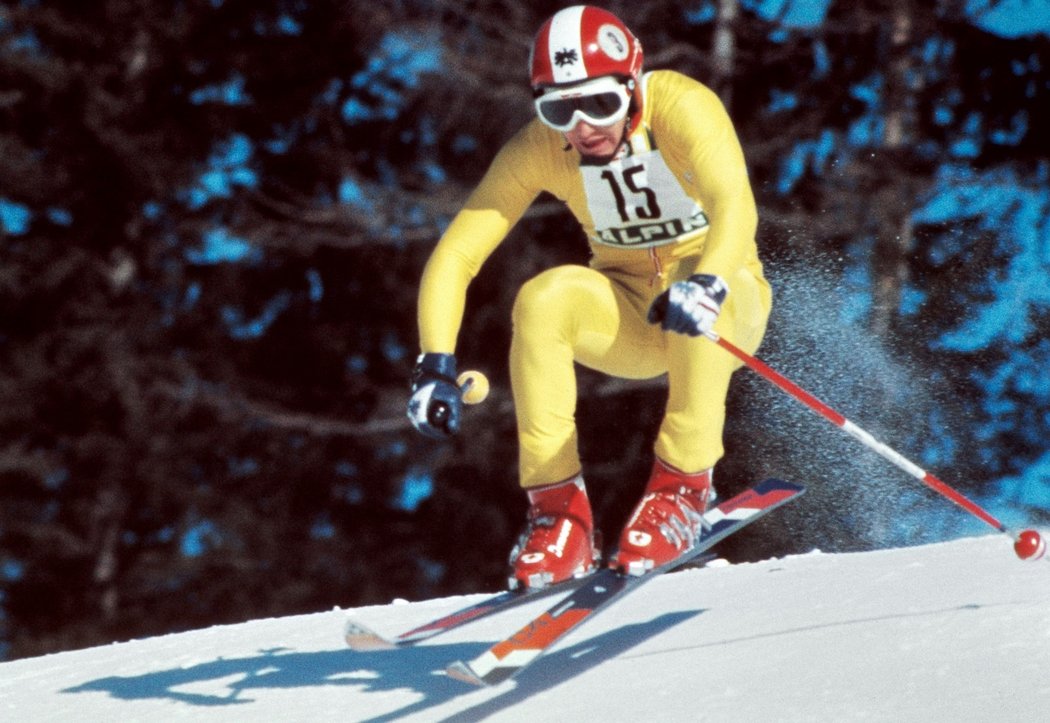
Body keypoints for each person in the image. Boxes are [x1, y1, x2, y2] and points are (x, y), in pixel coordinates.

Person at [407, 5, 771, 589]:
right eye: (558, 110)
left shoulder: (680, 105)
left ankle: (683, 489)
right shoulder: (540, 150)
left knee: (696, 291)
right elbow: (457, 255)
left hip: (723, 299)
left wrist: (710, 280)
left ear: (632, 83)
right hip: (629, 313)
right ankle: (560, 517)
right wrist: (434, 363)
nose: (582, 126)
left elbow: (735, 204)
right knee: (544, 297)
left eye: (600, 103)